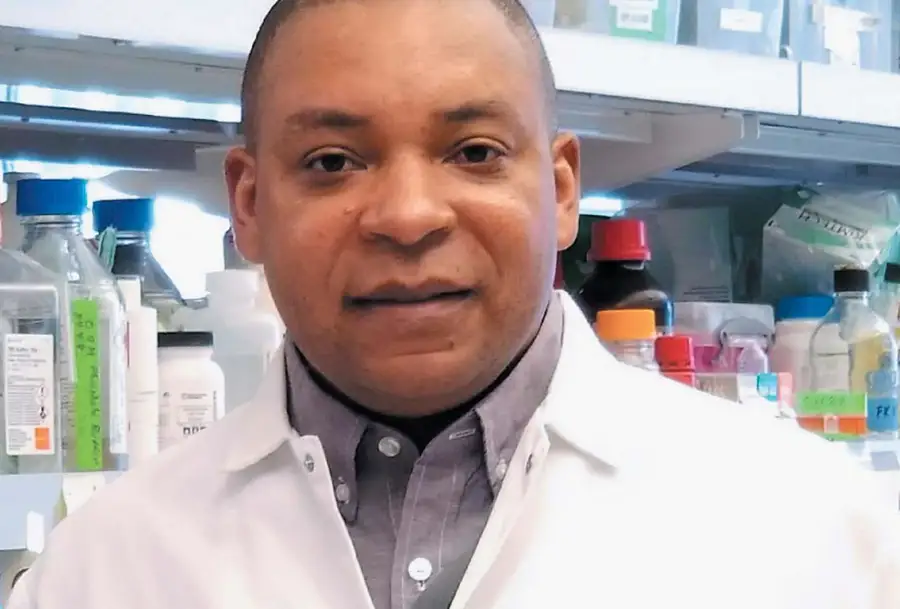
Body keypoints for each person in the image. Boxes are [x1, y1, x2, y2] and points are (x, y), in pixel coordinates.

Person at [8, 0, 900, 608]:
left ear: (559, 191)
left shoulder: (818, 531)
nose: (406, 216)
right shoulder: (99, 570)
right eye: (331, 161)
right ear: (248, 204)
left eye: (472, 152)